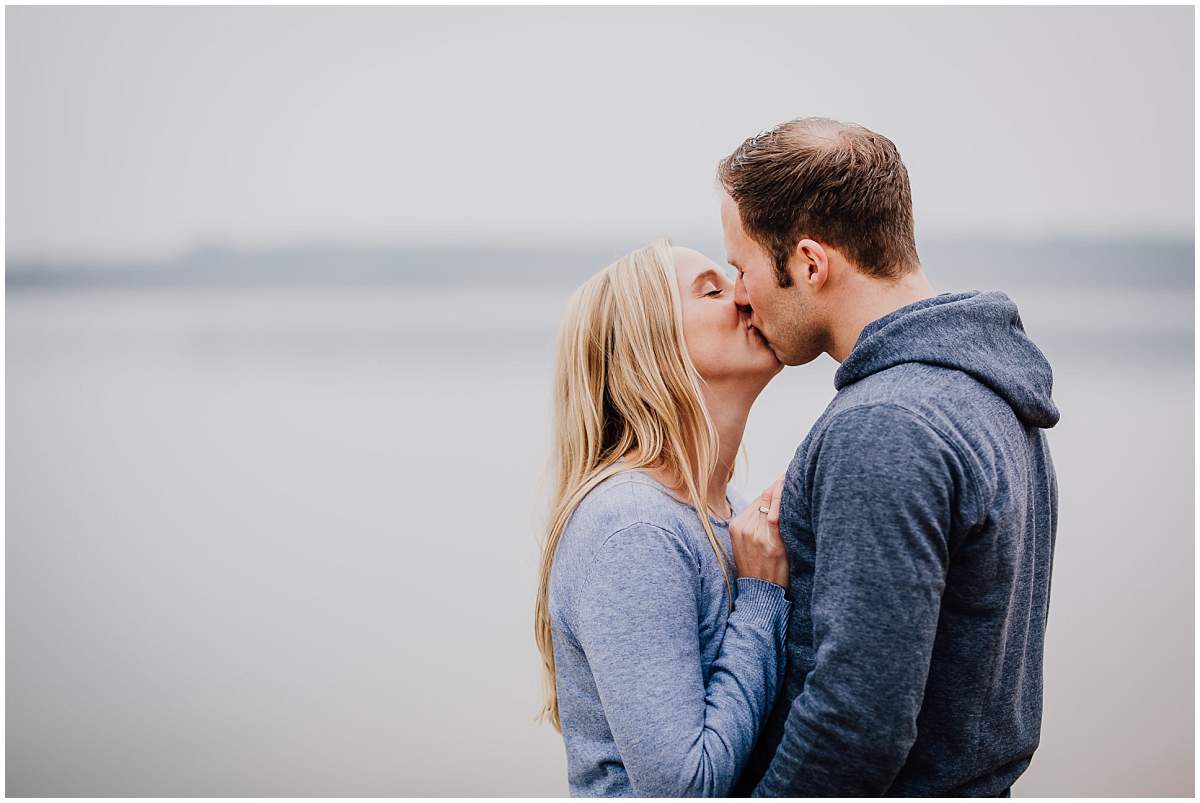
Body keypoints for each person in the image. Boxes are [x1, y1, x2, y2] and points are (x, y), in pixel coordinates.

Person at [719, 117, 1060, 797]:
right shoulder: (988, 392)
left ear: (809, 263)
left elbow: (855, 722)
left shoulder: (885, 425)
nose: (737, 294)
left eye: (742, 266)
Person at [533, 239, 793, 796]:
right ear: (653, 347)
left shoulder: (738, 515)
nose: (746, 294)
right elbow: (683, 788)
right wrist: (761, 598)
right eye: (712, 290)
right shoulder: (634, 529)